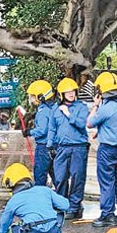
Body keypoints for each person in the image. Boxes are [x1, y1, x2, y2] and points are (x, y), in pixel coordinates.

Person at [0, 163, 69, 233]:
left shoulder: (13, 201)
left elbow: (3, 226)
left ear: (10, 183)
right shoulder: (44, 190)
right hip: (54, 232)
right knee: (55, 216)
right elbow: (65, 205)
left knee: (11, 230)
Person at [87, 72, 117, 227]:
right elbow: (115, 125)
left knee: (106, 181)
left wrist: (95, 105)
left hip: (107, 149)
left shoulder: (106, 108)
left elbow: (89, 123)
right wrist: (101, 131)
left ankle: (107, 214)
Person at [47, 78, 90, 220]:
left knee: (77, 177)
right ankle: (62, 205)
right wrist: (49, 145)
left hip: (78, 147)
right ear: (61, 94)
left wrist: (68, 114)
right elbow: (52, 128)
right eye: (67, 92)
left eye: (73, 91)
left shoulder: (81, 107)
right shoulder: (55, 108)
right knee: (60, 178)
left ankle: (74, 206)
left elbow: (81, 123)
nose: (71, 94)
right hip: (62, 148)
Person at [22, 80, 57, 186]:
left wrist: (29, 132)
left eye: (32, 96)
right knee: (56, 175)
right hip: (54, 146)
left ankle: (40, 198)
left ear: (40, 96)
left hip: (43, 147)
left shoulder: (42, 112)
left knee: (40, 175)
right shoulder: (53, 108)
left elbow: (42, 130)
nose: (31, 99)